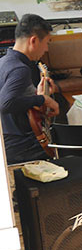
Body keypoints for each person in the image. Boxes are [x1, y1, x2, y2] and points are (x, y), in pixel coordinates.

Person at [0, 14, 59, 164]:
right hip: (19, 146)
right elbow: (5, 104)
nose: (46, 49)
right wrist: (43, 99)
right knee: (65, 148)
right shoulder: (20, 69)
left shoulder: (4, 61)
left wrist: (37, 94)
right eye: (46, 43)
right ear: (33, 40)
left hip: (6, 141)